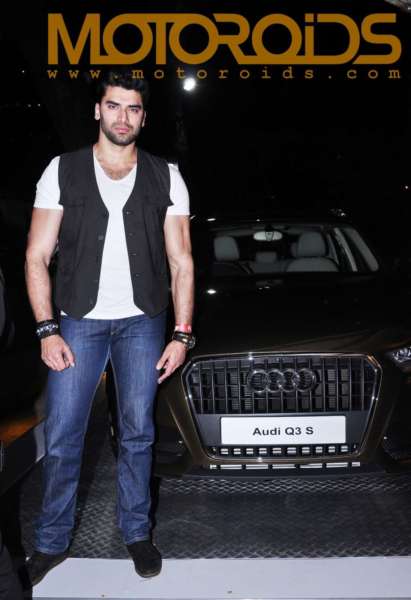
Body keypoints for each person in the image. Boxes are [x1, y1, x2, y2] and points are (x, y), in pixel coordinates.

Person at [24, 70, 195, 586]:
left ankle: (137, 533)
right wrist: (46, 329)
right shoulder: (63, 170)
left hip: (144, 322)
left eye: (134, 109)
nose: (124, 117)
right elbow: (36, 255)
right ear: (98, 110)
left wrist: (182, 333)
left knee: (139, 433)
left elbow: (181, 260)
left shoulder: (167, 174)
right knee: (63, 436)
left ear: (145, 116)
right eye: (114, 106)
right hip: (78, 321)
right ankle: (52, 541)